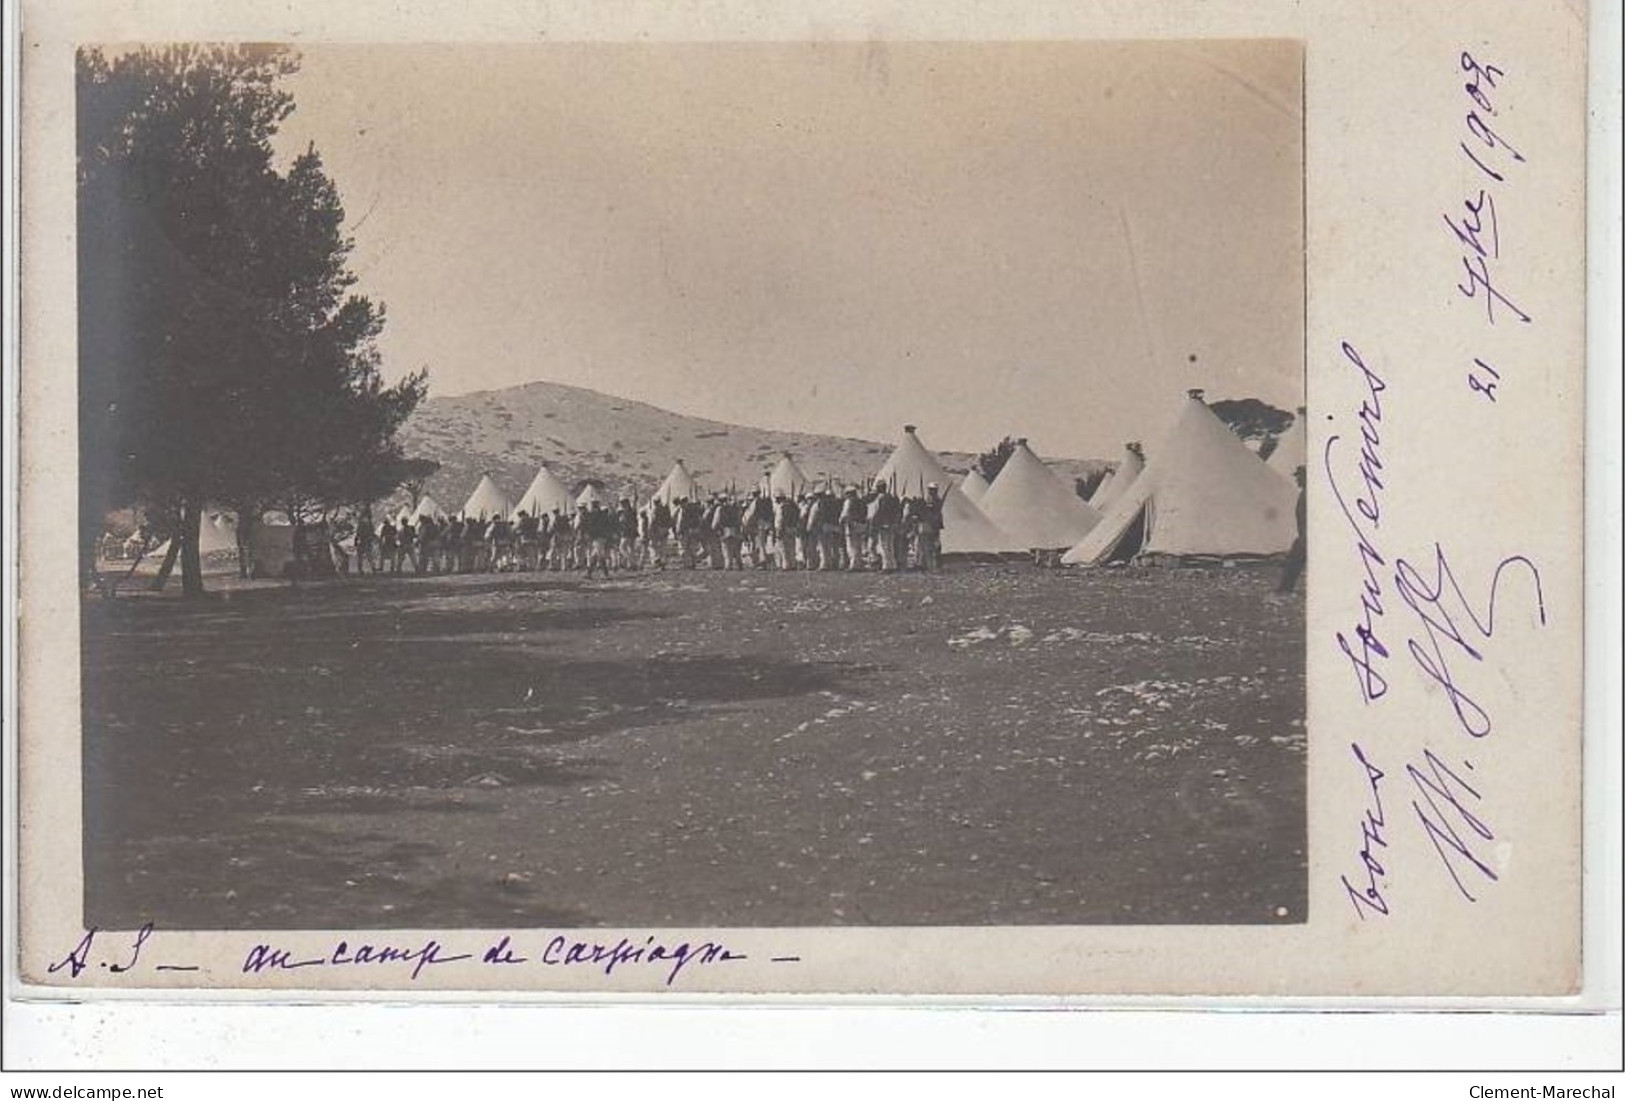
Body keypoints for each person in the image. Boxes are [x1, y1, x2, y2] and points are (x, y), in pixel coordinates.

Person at [1276, 465, 1308, 594]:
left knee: (1294, 560)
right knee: (1294, 560)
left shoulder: (1308, 494)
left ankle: (1285, 588)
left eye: (1299, 477)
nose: (1297, 480)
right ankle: (1285, 588)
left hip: (1308, 536)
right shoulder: (1306, 492)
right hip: (1305, 536)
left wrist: (1305, 538)